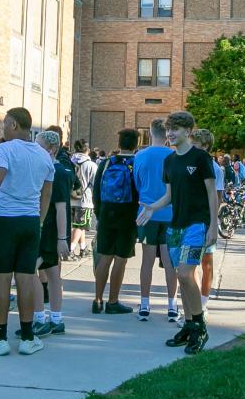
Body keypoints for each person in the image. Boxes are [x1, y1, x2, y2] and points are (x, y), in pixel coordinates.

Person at [135, 111, 218, 355]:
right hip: (175, 225)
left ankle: (199, 327)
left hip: (197, 224)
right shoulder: (169, 161)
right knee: (182, 278)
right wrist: (152, 207)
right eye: (169, 129)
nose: (170, 133)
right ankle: (189, 326)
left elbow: (212, 193)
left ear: (188, 132)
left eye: (176, 129)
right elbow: (169, 195)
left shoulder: (201, 158)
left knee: (184, 272)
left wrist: (213, 226)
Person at [0, 107, 55, 356]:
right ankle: (28, 336)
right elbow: (47, 192)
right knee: (25, 277)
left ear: (14, 125)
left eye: (5, 124)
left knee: (1, 278)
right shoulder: (43, 155)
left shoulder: (5, 149)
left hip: (5, 219)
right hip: (30, 221)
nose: (3, 128)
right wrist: (39, 220)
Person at [25, 131, 70, 337]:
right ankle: (55, 319)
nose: (35, 148)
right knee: (52, 274)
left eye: (39, 145)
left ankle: (40, 318)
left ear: (51, 149)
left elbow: (62, 207)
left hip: (50, 230)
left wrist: (62, 238)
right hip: (44, 227)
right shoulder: (46, 168)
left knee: (32, 269)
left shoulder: (58, 172)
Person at [133, 119, 179, 323]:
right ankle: (172, 305)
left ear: (150, 133)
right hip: (170, 213)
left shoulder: (140, 155)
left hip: (146, 212)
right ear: (167, 133)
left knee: (147, 261)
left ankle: (144, 304)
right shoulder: (175, 155)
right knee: (171, 262)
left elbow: (137, 182)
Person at [90, 129, 139, 315]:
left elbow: (96, 192)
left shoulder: (106, 163)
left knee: (104, 257)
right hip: (128, 215)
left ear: (118, 143)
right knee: (121, 259)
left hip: (107, 213)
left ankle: (97, 299)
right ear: (136, 143)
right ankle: (113, 301)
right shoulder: (136, 164)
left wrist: (99, 213)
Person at [191, 129, 222, 313]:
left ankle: (203, 301)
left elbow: (217, 197)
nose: (191, 146)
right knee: (190, 264)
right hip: (189, 220)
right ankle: (194, 302)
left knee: (206, 262)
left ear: (205, 145)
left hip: (206, 220)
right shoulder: (188, 162)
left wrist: (212, 224)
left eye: (195, 143)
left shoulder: (214, 167)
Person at [69, 139, 97, 259]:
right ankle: (70, 249)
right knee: (80, 226)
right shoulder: (91, 165)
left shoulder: (69, 162)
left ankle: (83, 248)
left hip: (70, 198)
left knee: (78, 226)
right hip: (85, 200)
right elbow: (95, 183)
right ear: (87, 150)